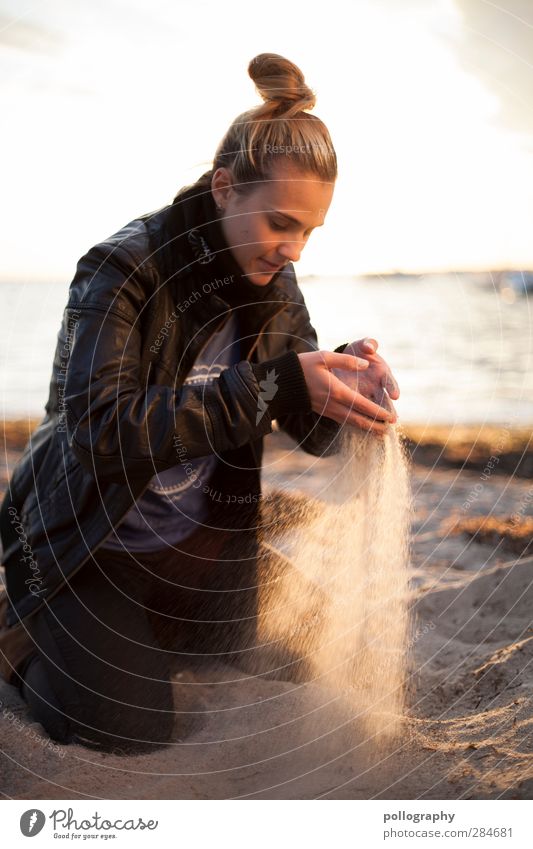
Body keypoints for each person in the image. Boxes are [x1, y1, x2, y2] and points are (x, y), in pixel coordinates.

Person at [0, 53, 399, 754]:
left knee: (308, 656)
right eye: (281, 222)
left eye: (309, 231)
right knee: (127, 729)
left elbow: (307, 426)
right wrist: (275, 382)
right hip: (90, 545)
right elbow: (101, 427)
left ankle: (136, 636)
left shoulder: (274, 281)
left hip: (201, 550)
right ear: (223, 188)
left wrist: (346, 393)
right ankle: (27, 633)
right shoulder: (122, 268)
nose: (294, 248)